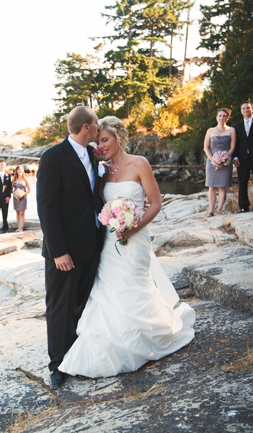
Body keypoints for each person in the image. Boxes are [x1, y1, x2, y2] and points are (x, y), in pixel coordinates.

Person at [57, 116, 195, 379]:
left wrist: (132, 227)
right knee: (108, 290)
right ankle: (110, 348)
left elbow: (155, 204)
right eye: (98, 142)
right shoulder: (102, 170)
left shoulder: (140, 163)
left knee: (135, 285)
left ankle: (144, 340)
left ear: (119, 137)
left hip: (137, 237)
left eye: (105, 140)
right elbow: (97, 205)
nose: (101, 146)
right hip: (110, 241)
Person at [37, 106, 105, 389]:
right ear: (86, 127)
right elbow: (47, 208)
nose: (100, 129)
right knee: (60, 308)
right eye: (97, 124)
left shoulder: (93, 155)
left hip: (92, 245)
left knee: (82, 304)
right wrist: (58, 252)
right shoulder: (53, 157)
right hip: (64, 251)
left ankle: (77, 357)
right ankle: (57, 365)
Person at [203, 108, 236, 216]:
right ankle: (211, 211)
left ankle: (219, 210)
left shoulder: (231, 130)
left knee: (222, 187)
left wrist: (226, 158)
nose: (222, 118)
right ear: (217, 117)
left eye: (224, 116)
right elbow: (206, 147)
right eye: (220, 115)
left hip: (225, 162)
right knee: (212, 187)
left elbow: (232, 147)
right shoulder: (210, 131)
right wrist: (213, 159)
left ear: (227, 118)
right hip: (212, 161)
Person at [11, 165, 31, 232]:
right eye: (18, 169)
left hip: (23, 198)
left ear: (23, 171)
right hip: (16, 197)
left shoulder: (25, 179)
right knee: (17, 212)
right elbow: (11, 190)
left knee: (22, 212)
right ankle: (18, 227)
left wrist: (23, 194)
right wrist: (15, 195)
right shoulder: (14, 179)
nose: (19, 171)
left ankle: (21, 228)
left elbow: (29, 190)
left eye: (21, 169)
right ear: (16, 171)